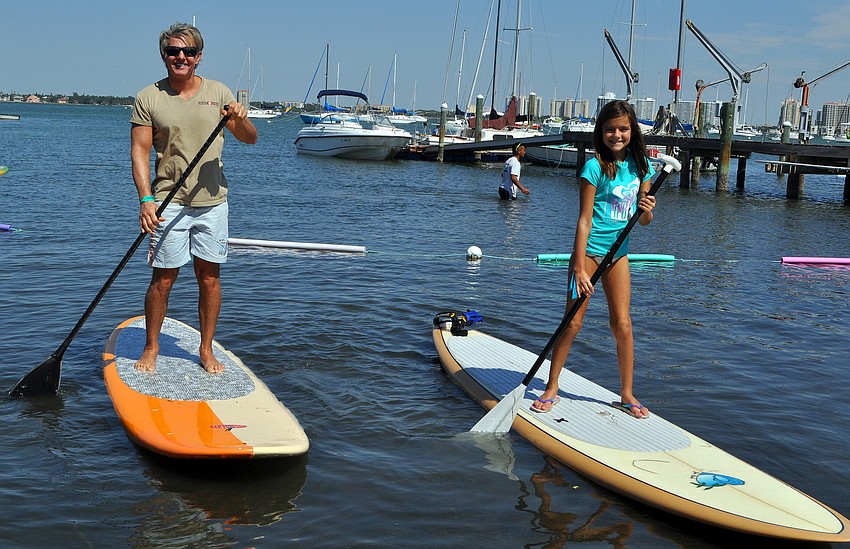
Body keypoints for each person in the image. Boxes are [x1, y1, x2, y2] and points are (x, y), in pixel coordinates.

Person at [131, 22, 258, 374]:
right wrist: (145, 200)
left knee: (209, 278)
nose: (180, 57)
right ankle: (152, 347)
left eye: (188, 52)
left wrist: (241, 118)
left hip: (213, 202)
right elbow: (139, 153)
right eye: (173, 51)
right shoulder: (149, 97)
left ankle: (205, 350)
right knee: (163, 279)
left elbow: (249, 138)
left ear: (199, 57)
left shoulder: (218, 93)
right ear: (164, 55)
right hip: (168, 201)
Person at [530, 100, 656, 418]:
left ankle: (626, 393)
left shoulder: (642, 167)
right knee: (572, 323)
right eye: (610, 129)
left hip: (619, 256)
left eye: (623, 129)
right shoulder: (594, 167)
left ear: (632, 131)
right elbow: (584, 220)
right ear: (600, 131)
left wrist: (647, 210)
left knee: (623, 325)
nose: (617, 135)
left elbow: (643, 221)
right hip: (588, 254)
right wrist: (578, 266)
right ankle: (552, 386)